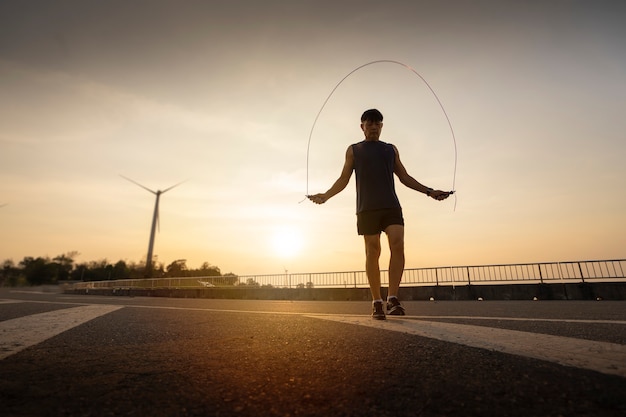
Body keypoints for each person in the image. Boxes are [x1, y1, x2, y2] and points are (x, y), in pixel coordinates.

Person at [308, 109, 451, 320]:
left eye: (378, 124)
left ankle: (392, 298)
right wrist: (326, 195)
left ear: (382, 126)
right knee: (372, 251)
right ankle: (376, 301)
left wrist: (429, 192)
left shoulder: (390, 149)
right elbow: (343, 179)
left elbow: (404, 176)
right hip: (367, 208)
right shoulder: (354, 150)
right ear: (362, 126)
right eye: (369, 123)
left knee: (397, 244)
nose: (374, 127)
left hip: (391, 206)